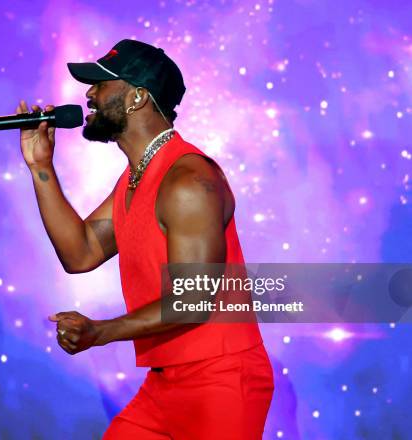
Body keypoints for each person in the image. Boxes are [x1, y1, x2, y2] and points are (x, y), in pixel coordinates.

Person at [16, 39, 274, 439]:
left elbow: (193, 300)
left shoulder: (189, 180)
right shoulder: (135, 180)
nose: (89, 94)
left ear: (137, 97)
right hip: (164, 384)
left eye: (101, 84)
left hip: (221, 381)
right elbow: (79, 253)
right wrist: (40, 166)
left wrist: (101, 332)